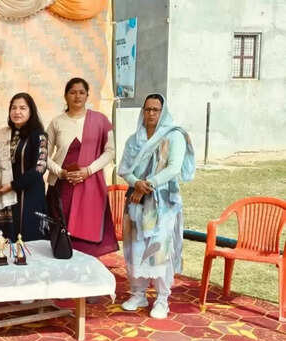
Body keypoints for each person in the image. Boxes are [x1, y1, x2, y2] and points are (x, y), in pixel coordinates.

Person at [119, 93, 196, 319]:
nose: (151, 113)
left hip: (163, 202)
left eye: (156, 109)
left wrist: (149, 183)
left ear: (163, 112)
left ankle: (162, 299)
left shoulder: (174, 136)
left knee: (159, 248)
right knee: (136, 247)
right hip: (136, 200)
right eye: (147, 109)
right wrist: (136, 183)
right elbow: (124, 169)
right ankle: (138, 293)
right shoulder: (134, 140)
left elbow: (173, 168)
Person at [47, 77, 118, 256]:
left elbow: (110, 151)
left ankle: (87, 271)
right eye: (72, 92)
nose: (77, 96)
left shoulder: (100, 120)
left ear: (87, 95)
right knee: (62, 236)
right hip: (62, 187)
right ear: (65, 96)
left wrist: (89, 170)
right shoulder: (57, 122)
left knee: (87, 239)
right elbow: (43, 155)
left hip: (90, 185)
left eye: (81, 92)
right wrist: (60, 173)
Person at [0, 92, 48, 241]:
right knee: (5, 241)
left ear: (31, 111)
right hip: (6, 196)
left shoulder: (39, 135)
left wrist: (12, 185)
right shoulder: (3, 135)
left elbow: (40, 168)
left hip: (29, 197)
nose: (17, 112)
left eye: (22, 108)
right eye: (14, 108)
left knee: (27, 242)